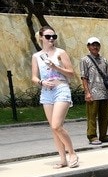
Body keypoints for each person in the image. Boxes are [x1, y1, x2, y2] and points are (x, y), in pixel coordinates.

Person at [30, 26, 79, 168]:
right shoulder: (36, 56)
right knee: (53, 127)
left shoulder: (60, 53)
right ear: (41, 37)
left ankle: (72, 153)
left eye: (54, 36)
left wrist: (55, 66)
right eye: (48, 36)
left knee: (57, 125)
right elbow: (33, 77)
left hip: (61, 89)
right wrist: (41, 82)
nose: (51, 39)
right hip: (46, 92)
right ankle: (62, 159)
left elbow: (71, 73)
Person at [80, 37, 108, 145]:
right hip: (93, 93)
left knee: (105, 116)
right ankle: (92, 136)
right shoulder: (85, 60)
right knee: (92, 116)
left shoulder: (104, 60)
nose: (95, 47)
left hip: (104, 92)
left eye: (97, 45)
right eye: (92, 45)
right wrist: (87, 92)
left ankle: (104, 135)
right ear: (88, 46)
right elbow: (84, 77)